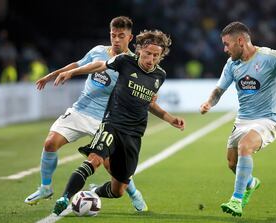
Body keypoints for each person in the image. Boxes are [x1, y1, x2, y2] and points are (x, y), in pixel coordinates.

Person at [51, 29, 185, 215]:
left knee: (118, 190)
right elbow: (98, 66)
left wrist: (170, 119)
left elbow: (149, 103)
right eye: (148, 54)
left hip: (134, 135)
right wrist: (72, 72)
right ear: (139, 50)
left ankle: (92, 192)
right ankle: (64, 197)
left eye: (156, 55)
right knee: (95, 160)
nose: (151, 59)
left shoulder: (159, 76)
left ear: (161, 56)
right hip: (112, 124)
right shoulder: (124, 62)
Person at [24, 16, 149, 211]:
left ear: (130, 37)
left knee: (113, 169)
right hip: (80, 110)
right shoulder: (98, 51)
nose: (116, 39)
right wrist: (52, 75)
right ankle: (45, 188)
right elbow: (77, 64)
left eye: (121, 36)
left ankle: (134, 194)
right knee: (50, 143)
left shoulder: (132, 63)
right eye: (113, 35)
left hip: (106, 120)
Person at [200, 21, 276, 217]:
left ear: (240, 41)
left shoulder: (270, 57)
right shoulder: (232, 64)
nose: (224, 49)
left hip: (267, 120)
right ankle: (250, 183)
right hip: (242, 120)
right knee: (232, 163)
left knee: (245, 146)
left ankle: (236, 200)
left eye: (227, 44)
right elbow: (219, 90)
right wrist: (209, 103)